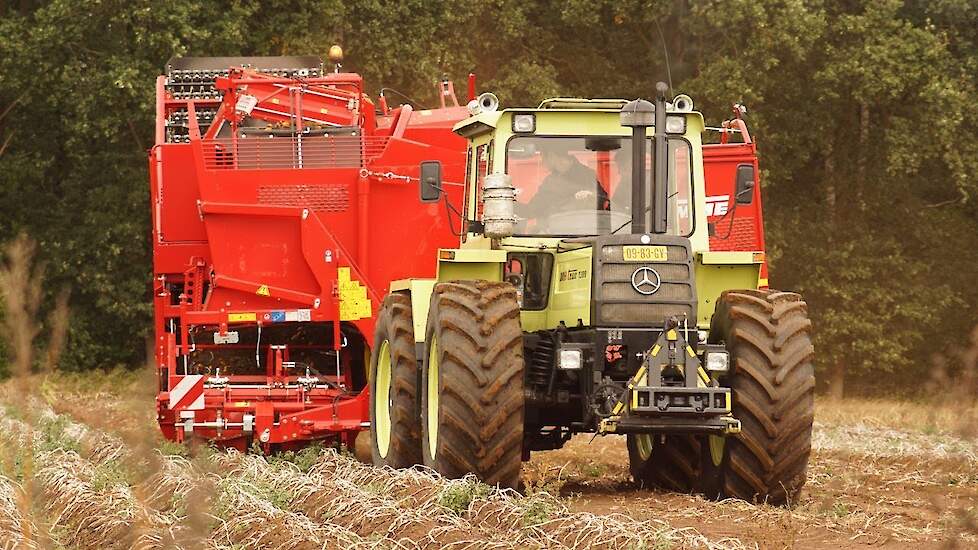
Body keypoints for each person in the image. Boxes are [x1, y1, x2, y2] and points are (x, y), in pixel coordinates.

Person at [519, 143, 609, 223]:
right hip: (556, 231)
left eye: (543, 157)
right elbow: (534, 209)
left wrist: (591, 196)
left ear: (551, 156)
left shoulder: (587, 175)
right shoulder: (551, 180)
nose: (542, 162)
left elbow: (604, 202)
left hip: (581, 230)